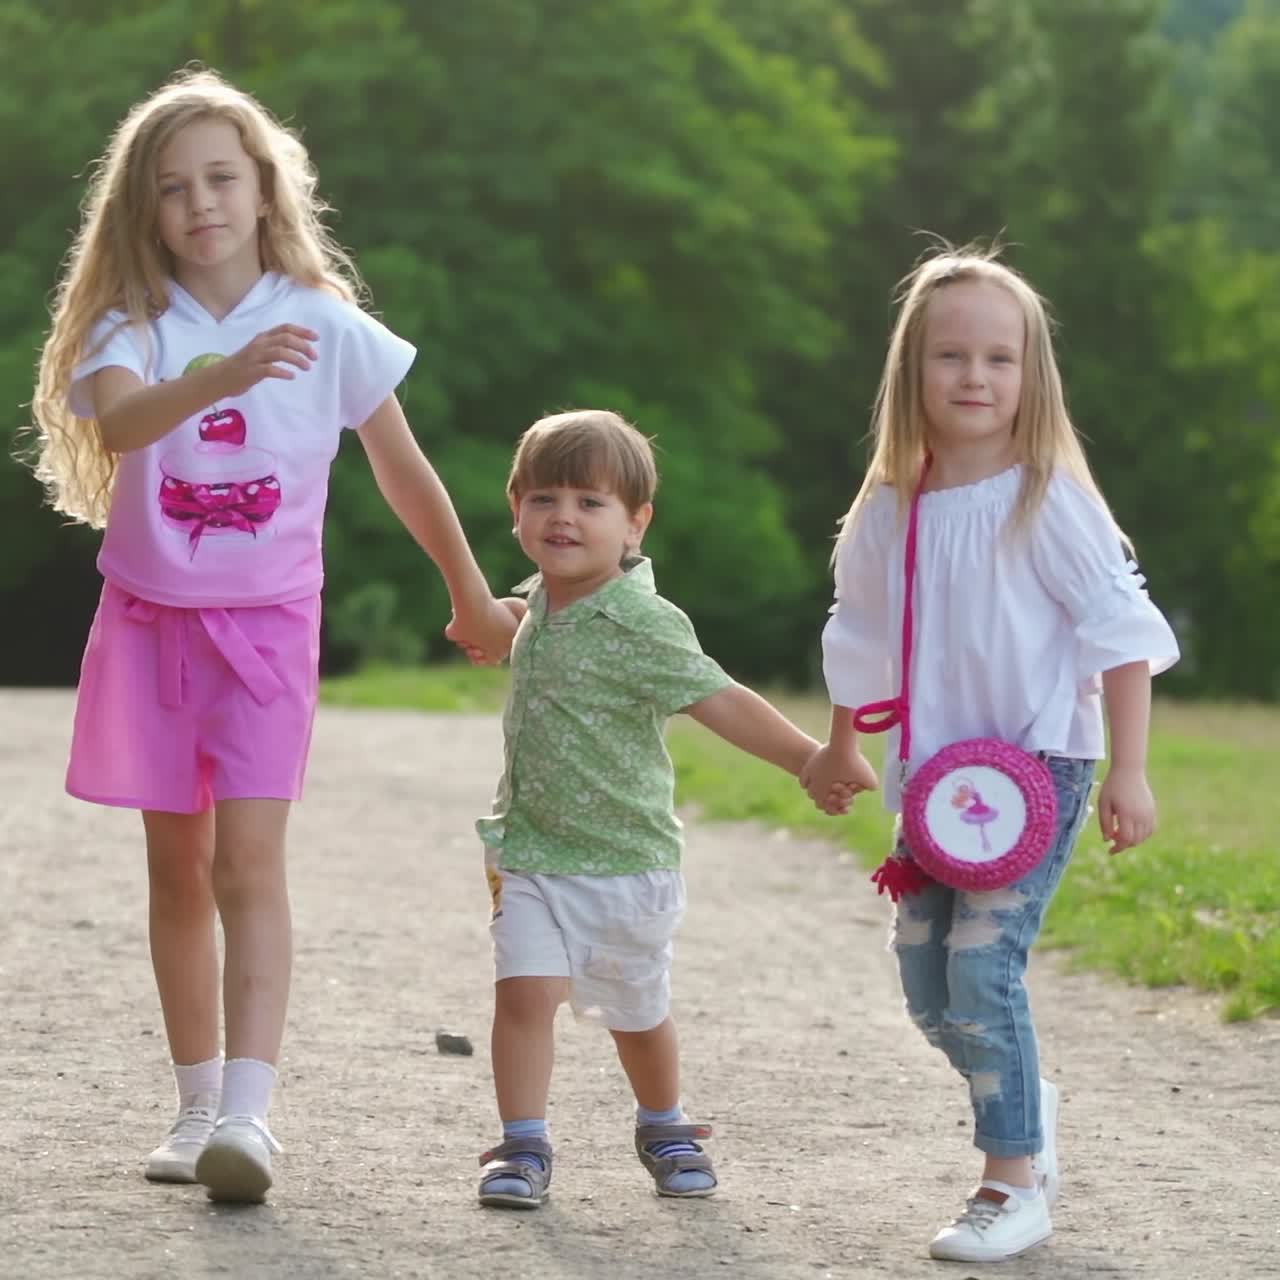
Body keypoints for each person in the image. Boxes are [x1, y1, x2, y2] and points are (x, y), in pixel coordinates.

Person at [29, 67, 515, 1204]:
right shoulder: (130, 325)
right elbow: (127, 415)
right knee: (176, 868)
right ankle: (195, 1100)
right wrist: (227, 375)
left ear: (263, 189)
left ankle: (249, 1111)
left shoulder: (325, 322)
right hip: (150, 625)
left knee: (250, 863)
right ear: (142, 211)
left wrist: (471, 589)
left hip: (267, 627)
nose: (199, 202)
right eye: (171, 187)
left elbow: (401, 466)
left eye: (219, 177)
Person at [800, 247, 1179, 1263]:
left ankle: (1009, 1178)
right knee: (925, 981)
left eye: (998, 357)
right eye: (949, 354)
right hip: (935, 784)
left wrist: (1128, 770)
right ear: (909, 370)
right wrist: (840, 744)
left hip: (1037, 766)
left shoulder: (1046, 497)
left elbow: (1120, 634)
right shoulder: (889, 505)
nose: (974, 375)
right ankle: (1023, 1097)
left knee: (982, 970)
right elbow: (859, 632)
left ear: (1030, 375)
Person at [464, 409, 844, 1209]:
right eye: (544, 499)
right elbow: (516, 619)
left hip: (624, 862)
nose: (564, 516)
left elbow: (721, 698)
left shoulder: (641, 619)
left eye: (590, 502)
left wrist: (807, 758)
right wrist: (487, 620)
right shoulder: (542, 600)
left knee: (635, 1013)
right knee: (523, 995)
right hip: (531, 852)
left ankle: (663, 1123)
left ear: (636, 524)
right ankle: (524, 1145)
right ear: (516, 510)